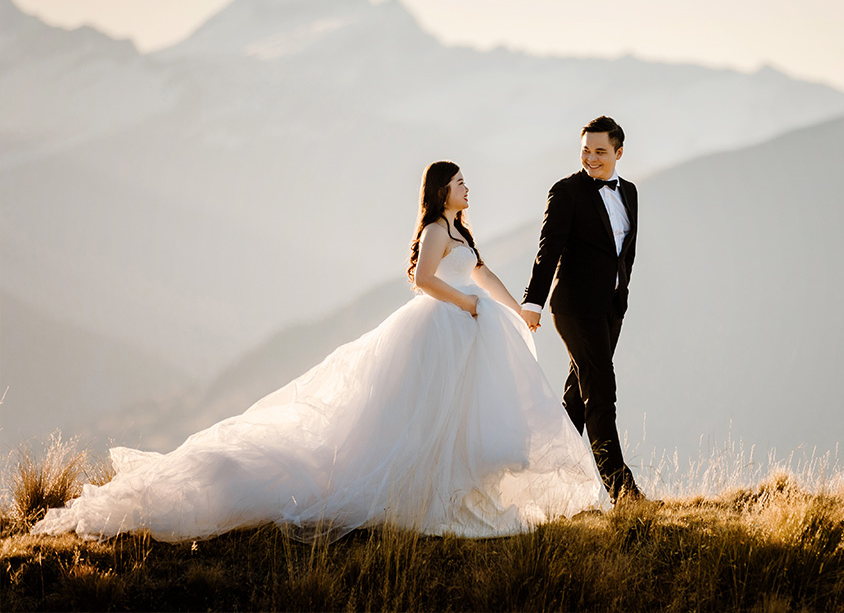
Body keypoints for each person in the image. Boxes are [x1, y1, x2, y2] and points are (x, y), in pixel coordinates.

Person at [33, 162, 608, 542]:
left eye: (464, 183)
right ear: (440, 191)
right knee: (422, 414)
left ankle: (457, 487)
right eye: (458, 182)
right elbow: (424, 281)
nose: (466, 188)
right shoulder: (435, 230)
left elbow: (483, 274)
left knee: (458, 417)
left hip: (469, 324)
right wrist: (464, 304)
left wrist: (515, 309)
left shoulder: (464, 234)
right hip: (440, 327)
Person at [520, 116, 644, 502]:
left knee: (577, 398)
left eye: (600, 151)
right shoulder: (566, 192)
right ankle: (622, 493)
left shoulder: (631, 193)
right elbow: (548, 250)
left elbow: (626, 250)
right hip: (574, 309)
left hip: (611, 309)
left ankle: (549, 484)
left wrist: (621, 294)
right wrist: (533, 303)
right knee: (601, 390)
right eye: (585, 150)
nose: (590, 158)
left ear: (618, 153)